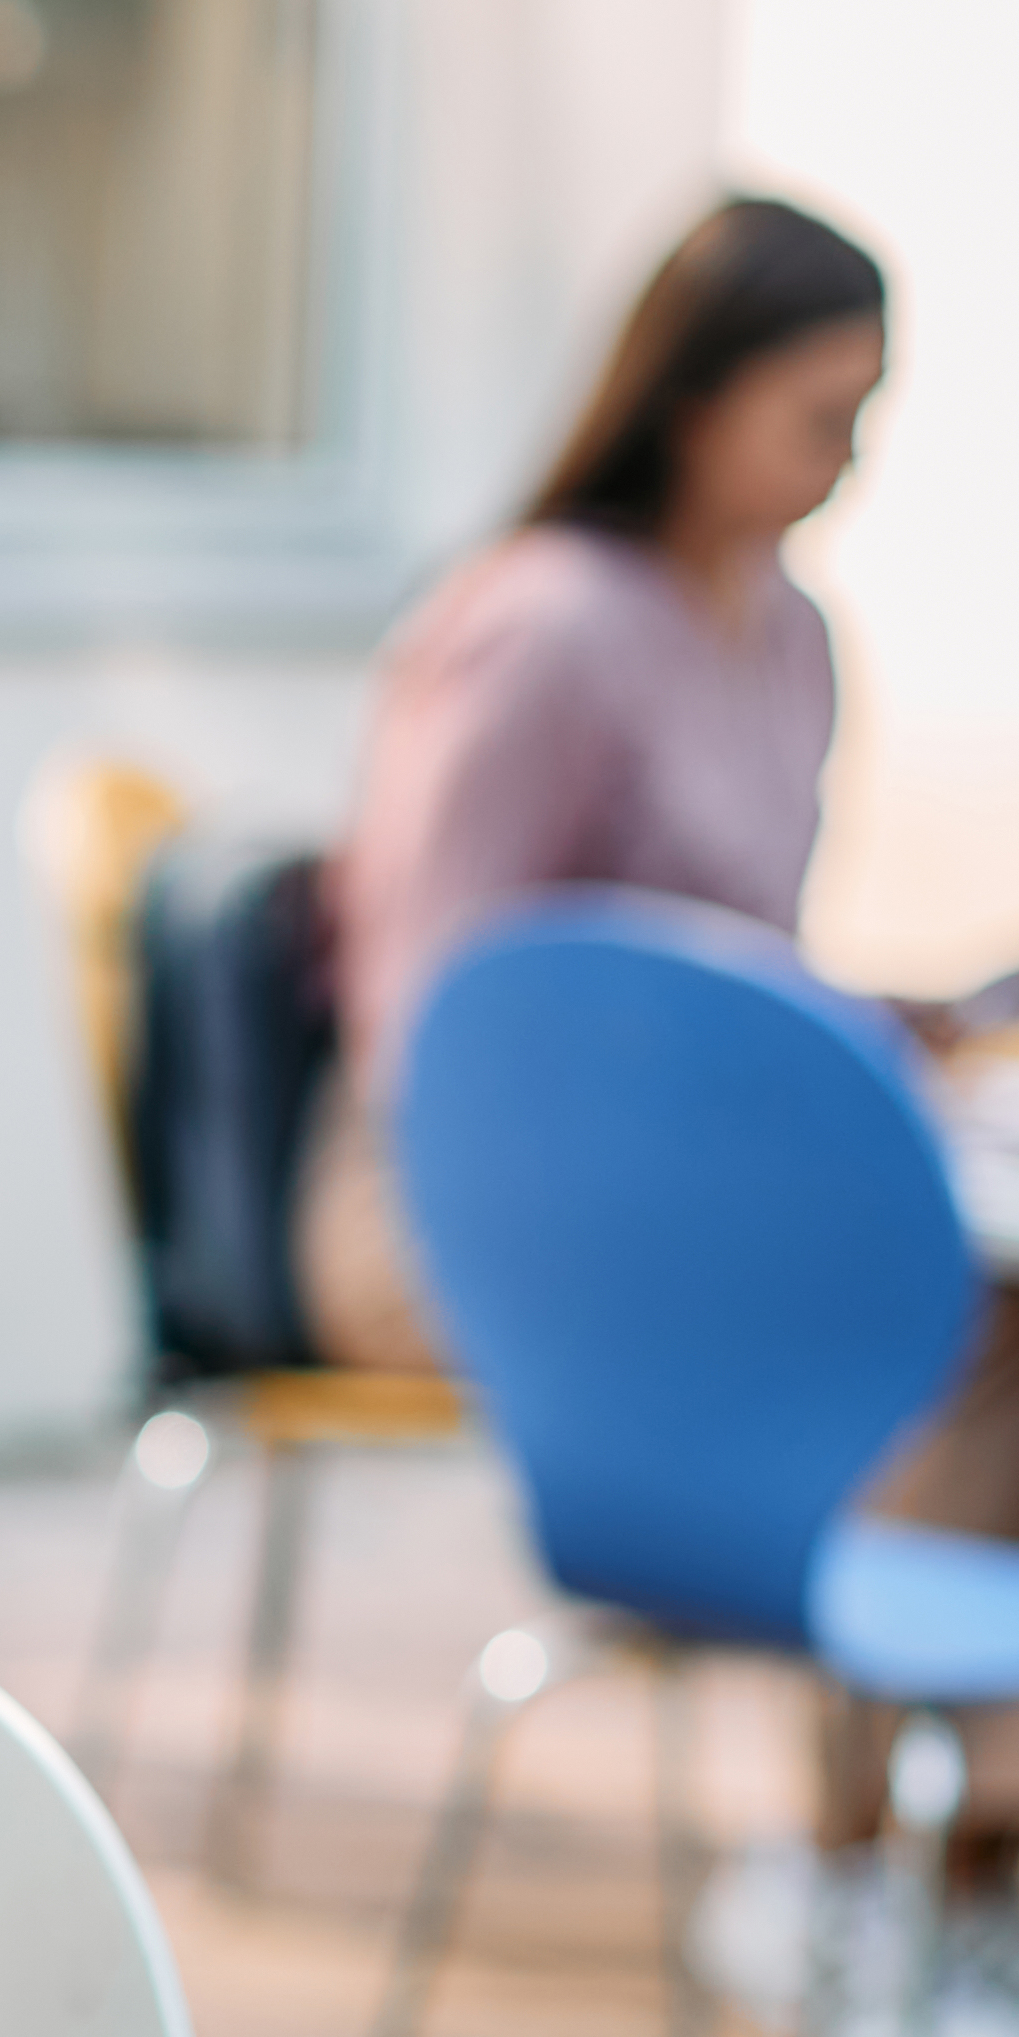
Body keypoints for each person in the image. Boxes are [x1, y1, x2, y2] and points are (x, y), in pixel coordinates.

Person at [299, 194, 887, 1369]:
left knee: (983, 1292)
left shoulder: (793, 637)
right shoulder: (545, 627)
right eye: (820, 421)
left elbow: (748, 965)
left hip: (692, 1168)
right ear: (695, 405)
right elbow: (425, 1014)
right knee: (873, 1309)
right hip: (461, 1197)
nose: (848, 465)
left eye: (864, 422)